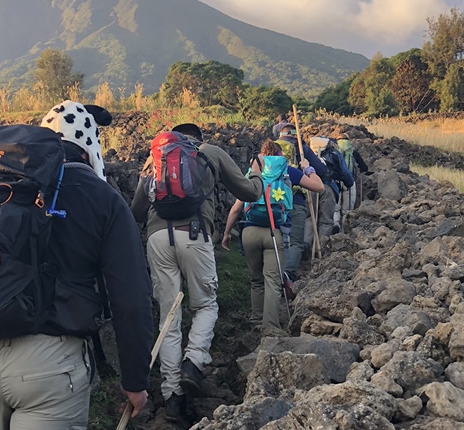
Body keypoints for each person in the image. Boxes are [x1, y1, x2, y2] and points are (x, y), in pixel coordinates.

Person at [0, 101, 154, 430]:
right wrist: (135, 379)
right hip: (49, 368)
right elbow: (130, 297)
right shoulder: (103, 198)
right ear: (90, 151)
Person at [130, 123, 263, 421]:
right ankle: (193, 362)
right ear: (199, 139)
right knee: (205, 304)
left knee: (169, 318)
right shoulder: (209, 153)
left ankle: (172, 397)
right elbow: (250, 192)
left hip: (157, 239)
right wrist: (256, 171)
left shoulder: (154, 159)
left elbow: (136, 212)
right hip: (194, 235)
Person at [221, 140, 323, 335]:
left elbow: (236, 208)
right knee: (273, 281)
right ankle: (270, 326)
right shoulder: (288, 171)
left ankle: (256, 321)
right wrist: (308, 169)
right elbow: (319, 188)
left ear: (262, 155)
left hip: (249, 232)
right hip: (275, 232)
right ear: (279, 155)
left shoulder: (252, 174)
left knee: (256, 280)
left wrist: (226, 233)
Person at [275, 123, 328, 280]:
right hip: (296, 199)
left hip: (273, 200)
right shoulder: (301, 149)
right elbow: (322, 171)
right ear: (295, 135)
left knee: (276, 238)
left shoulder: (272, 148)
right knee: (295, 241)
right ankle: (288, 275)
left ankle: (274, 271)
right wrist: (307, 167)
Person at [334, 133, 369, 228]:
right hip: (349, 181)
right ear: (348, 140)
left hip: (335, 182)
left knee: (336, 208)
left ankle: (335, 224)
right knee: (348, 208)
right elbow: (364, 167)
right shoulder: (352, 151)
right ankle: (346, 227)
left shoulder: (334, 150)